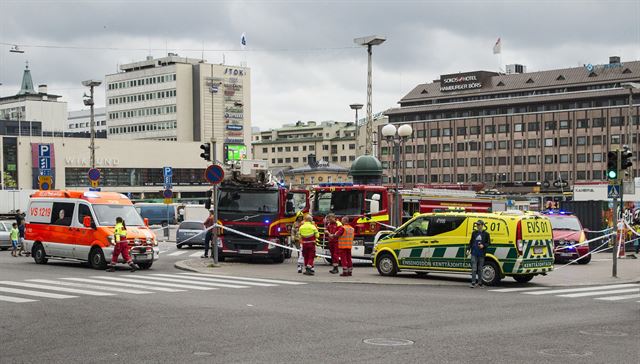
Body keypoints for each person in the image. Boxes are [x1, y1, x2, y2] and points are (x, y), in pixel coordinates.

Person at [466, 220, 491, 288]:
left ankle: (480, 283)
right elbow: (471, 242)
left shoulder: (486, 234)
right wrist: (468, 249)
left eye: (479, 225)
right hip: (474, 253)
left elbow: (488, 243)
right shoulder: (474, 233)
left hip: (481, 254)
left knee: (480, 269)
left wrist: (483, 245)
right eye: (477, 225)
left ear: (482, 225)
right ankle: (473, 283)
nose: (477, 226)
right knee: (474, 269)